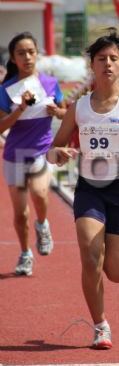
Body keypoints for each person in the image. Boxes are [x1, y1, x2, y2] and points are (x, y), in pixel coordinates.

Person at [47, 31, 119, 349]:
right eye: (101, 59)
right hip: (90, 190)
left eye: (113, 59)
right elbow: (53, 151)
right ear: (92, 66)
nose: (107, 64)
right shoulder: (79, 108)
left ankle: (112, 248)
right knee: (90, 254)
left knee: (117, 272)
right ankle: (100, 325)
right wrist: (59, 154)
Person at [0, 32, 66, 276]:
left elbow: (64, 113)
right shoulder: (6, 89)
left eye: (31, 52)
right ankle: (25, 254)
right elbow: (1, 127)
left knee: (39, 193)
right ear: (13, 59)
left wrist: (56, 111)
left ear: (37, 54)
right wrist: (20, 109)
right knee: (20, 213)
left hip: (40, 149)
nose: (27, 57)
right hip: (15, 154)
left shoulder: (50, 82)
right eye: (21, 53)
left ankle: (43, 224)